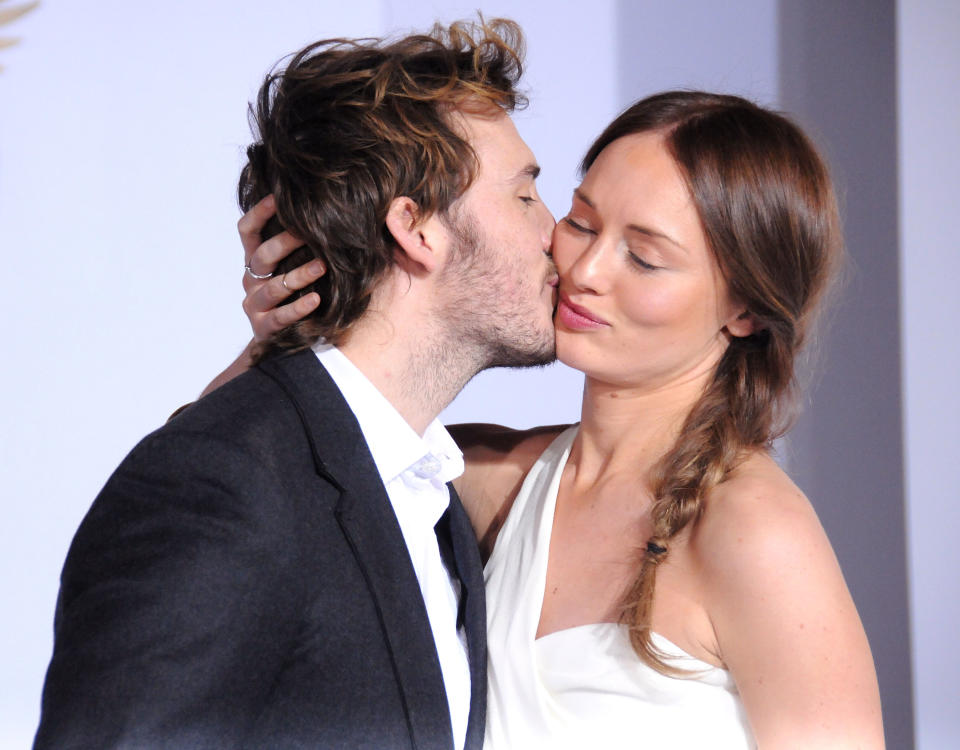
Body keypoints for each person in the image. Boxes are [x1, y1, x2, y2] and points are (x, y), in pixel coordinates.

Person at [238, 91, 885, 747]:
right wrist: (276, 341)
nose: (586, 270)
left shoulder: (755, 534)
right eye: (580, 222)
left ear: (744, 310)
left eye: (645, 257)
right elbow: (233, 478)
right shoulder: (483, 480)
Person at [34, 19, 557, 750]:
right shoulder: (223, 482)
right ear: (417, 228)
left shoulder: (432, 502)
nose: (553, 232)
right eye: (526, 197)